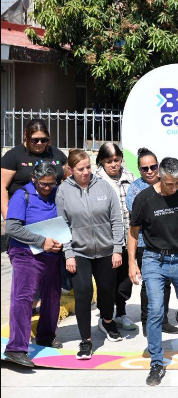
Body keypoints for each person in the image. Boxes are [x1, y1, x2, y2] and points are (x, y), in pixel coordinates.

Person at [127, 157, 178, 387]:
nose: (174, 187)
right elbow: (133, 232)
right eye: (170, 183)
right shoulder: (144, 198)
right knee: (155, 309)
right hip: (153, 260)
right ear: (160, 177)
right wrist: (132, 262)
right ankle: (156, 362)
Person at [57, 149, 125, 359]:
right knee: (84, 293)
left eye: (88, 167)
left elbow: (116, 219)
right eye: (80, 169)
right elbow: (63, 225)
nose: (86, 172)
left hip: (106, 251)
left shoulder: (104, 186)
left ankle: (106, 321)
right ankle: (85, 340)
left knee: (107, 290)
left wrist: (117, 249)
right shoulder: (63, 191)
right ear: (70, 170)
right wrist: (68, 253)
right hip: (79, 252)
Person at [3, 163, 64, 367]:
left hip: (51, 252)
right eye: (43, 184)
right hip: (24, 252)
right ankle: (16, 348)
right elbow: (12, 228)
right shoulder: (22, 195)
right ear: (33, 180)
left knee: (53, 294)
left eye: (51, 184)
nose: (47, 188)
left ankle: (46, 337)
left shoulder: (58, 193)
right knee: (23, 297)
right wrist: (40, 241)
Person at [126, 148, 178, 337]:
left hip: (168, 242)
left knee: (166, 283)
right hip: (144, 243)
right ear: (139, 170)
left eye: (153, 167)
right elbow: (140, 218)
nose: (149, 171)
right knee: (149, 285)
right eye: (144, 168)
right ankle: (148, 322)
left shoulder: (169, 183)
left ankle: (163, 320)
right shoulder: (134, 189)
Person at [94, 142, 137, 331]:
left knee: (125, 281)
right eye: (109, 161)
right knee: (108, 280)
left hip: (129, 236)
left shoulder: (130, 177)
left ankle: (121, 313)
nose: (114, 164)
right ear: (102, 161)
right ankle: (106, 316)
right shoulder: (95, 180)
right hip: (106, 239)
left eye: (117, 160)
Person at [1, 119, 67, 219]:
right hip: (25, 213)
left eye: (44, 140)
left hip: (54, 211)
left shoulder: (56, 153)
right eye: (35, 140)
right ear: (26, 136)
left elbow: (67, 178)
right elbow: (2, 187)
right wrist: (7, 216)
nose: (39, 143)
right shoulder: (13, 155)